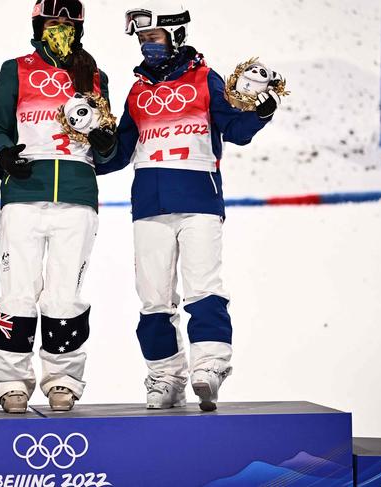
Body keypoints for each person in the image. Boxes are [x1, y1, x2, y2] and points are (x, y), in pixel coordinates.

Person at [97, 1, 281, 411]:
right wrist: (95, 146)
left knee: (202, 287)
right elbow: (118, 153)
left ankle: (210, 368)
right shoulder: (137, 90)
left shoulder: (205, 78)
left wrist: (262, 110)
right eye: (143, 40)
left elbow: (235, 128)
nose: (148, 46)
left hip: (199, 201)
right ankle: (164, 377)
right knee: (153, 297)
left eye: (154, 38)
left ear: (176, 35)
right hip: (149, 205)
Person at [0, 0, 117, 413]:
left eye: (67, 23)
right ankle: (11, 380)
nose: (59, 29)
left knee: (65, 293)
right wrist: (4, 154)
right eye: (52, 23)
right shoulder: (16, 68)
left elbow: (107, 141)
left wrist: (105, 143)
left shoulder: (95, 76)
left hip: (77, 194)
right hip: (24, 191)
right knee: (17, 291)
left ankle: (63, 379)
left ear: (80, 28)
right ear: (38, 25)